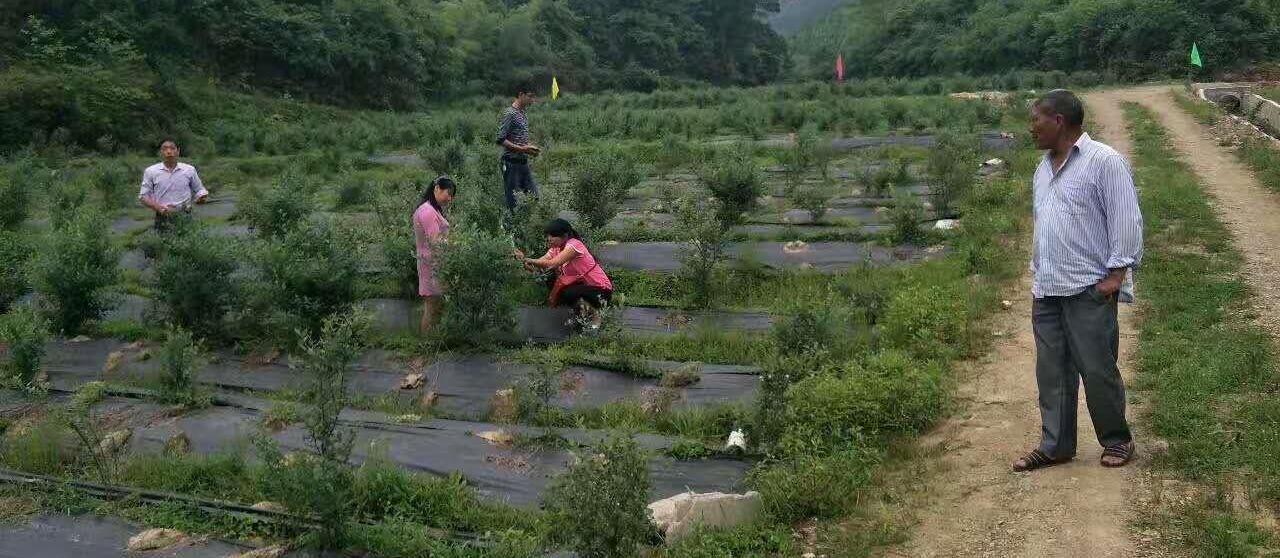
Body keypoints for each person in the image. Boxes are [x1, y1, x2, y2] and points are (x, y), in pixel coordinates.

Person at [1013, 89, 1143, 472]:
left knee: (1098, 369)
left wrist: (1116, 275)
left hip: (1089, 287)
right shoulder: (1043, 168)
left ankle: (1117, 441)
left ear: (1058, 122)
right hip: (1048, 288)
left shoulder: (1104, 162)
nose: (1030, 128)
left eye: (1036, 120)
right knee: (1052, 373)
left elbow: (1126, 219)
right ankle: (1056, 445)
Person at [516, 219, 614, 329]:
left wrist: (529, 259)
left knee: (568, 292)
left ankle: (596, 315)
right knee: (551, 280)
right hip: (582, 287)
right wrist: (522, 261)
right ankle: (581, 314)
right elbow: (538, 268)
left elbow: (551, 263)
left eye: (553, 236)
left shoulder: (574, 246)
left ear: (565, 235)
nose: (549, 239)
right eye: (548, 236)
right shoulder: (555, 249)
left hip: (600, 290)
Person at [414, 176, 457, 334]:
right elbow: (435, 242)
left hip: (435, 263)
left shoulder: (432, 209)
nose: (450, 198)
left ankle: (433, 342)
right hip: (431, 265)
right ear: (437, 188)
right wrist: (457, 245)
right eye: (449, 193)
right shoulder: (427, 211)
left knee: (437, 305)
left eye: (452, 196)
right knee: (432, 306)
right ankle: (427, 345)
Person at [138, 139, 208, 232]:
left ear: (178, 151)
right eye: (165, 149)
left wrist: (201, 197)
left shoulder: (189, 170)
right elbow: (143, 197)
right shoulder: (151, 171)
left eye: (172, 148)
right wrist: (158, 208)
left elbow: (199, 189)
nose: (169, 151)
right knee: (164, 244)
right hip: (163, 216)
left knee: (188, 243)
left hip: (185, 215)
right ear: (161, 152)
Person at [495, 82, 542, 210]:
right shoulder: (510, 113)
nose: (532, 100)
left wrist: (529, 148)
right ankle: (511, 227)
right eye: (530, 96)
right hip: (511, 163)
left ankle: (528, 224)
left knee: (534, 197)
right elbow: (500, 139)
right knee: (513, 202)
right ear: (521, 95)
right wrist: (523, 149)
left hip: (522, 162)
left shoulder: (523, 113)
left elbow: (518, 138)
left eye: (533, 97)